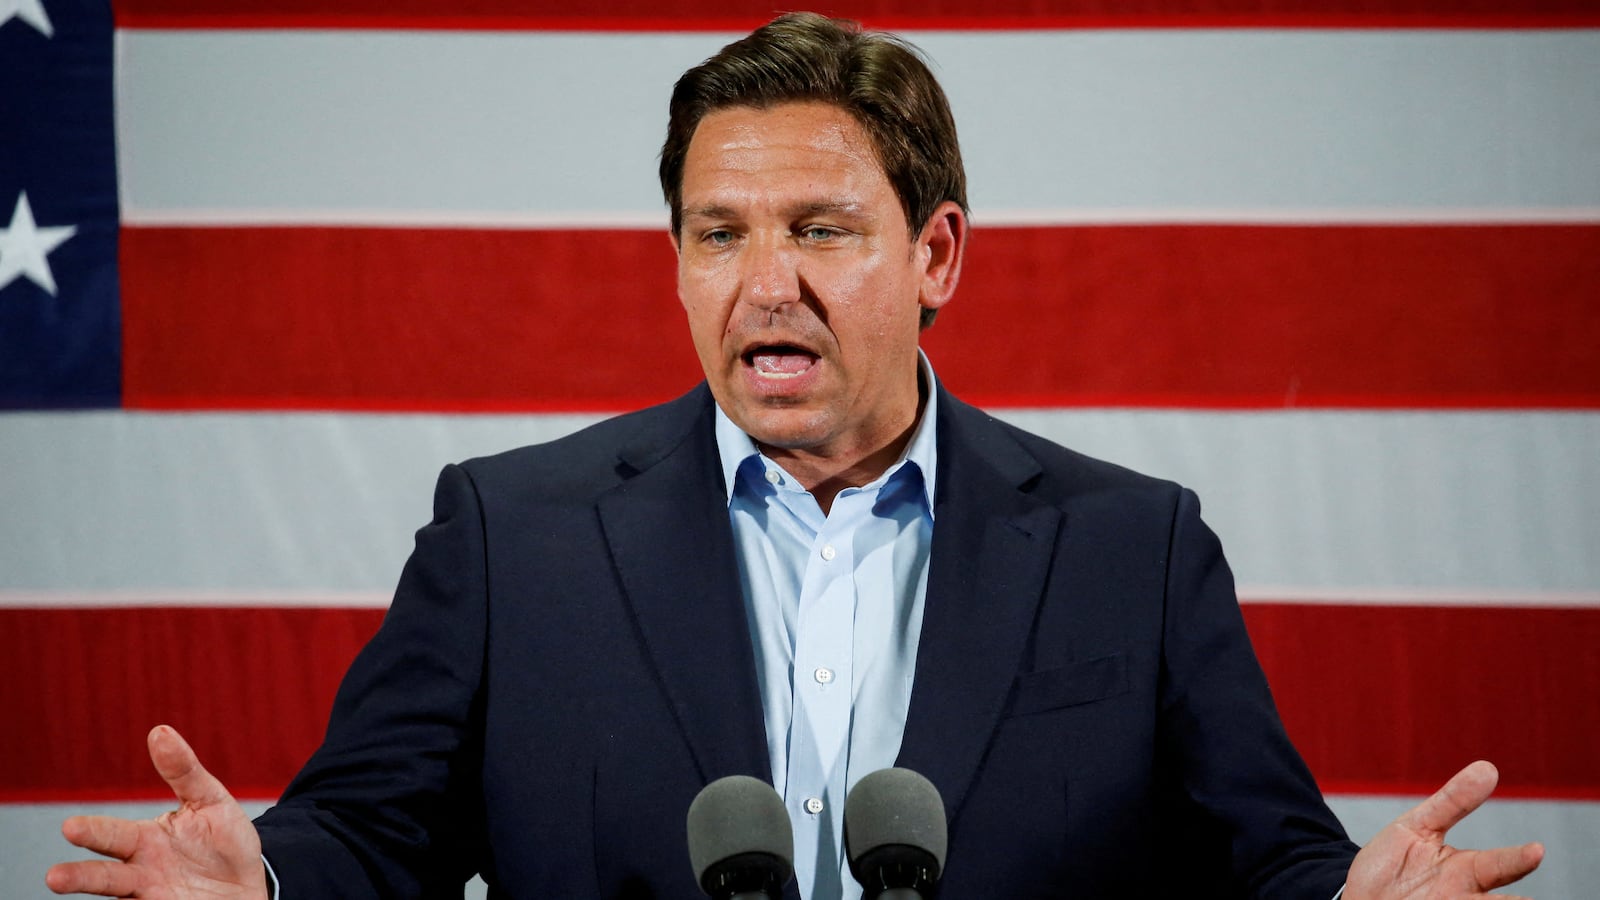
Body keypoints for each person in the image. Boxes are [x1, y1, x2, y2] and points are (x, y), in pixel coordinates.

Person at [47, 13, 1543, 900]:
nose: (767, 283)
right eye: (719, 234)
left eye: (821, 228)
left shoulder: (1130, 548)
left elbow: (1263, 863)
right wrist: (270, 880)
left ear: (936, 253)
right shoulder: (512, 535)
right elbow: (374, 837)